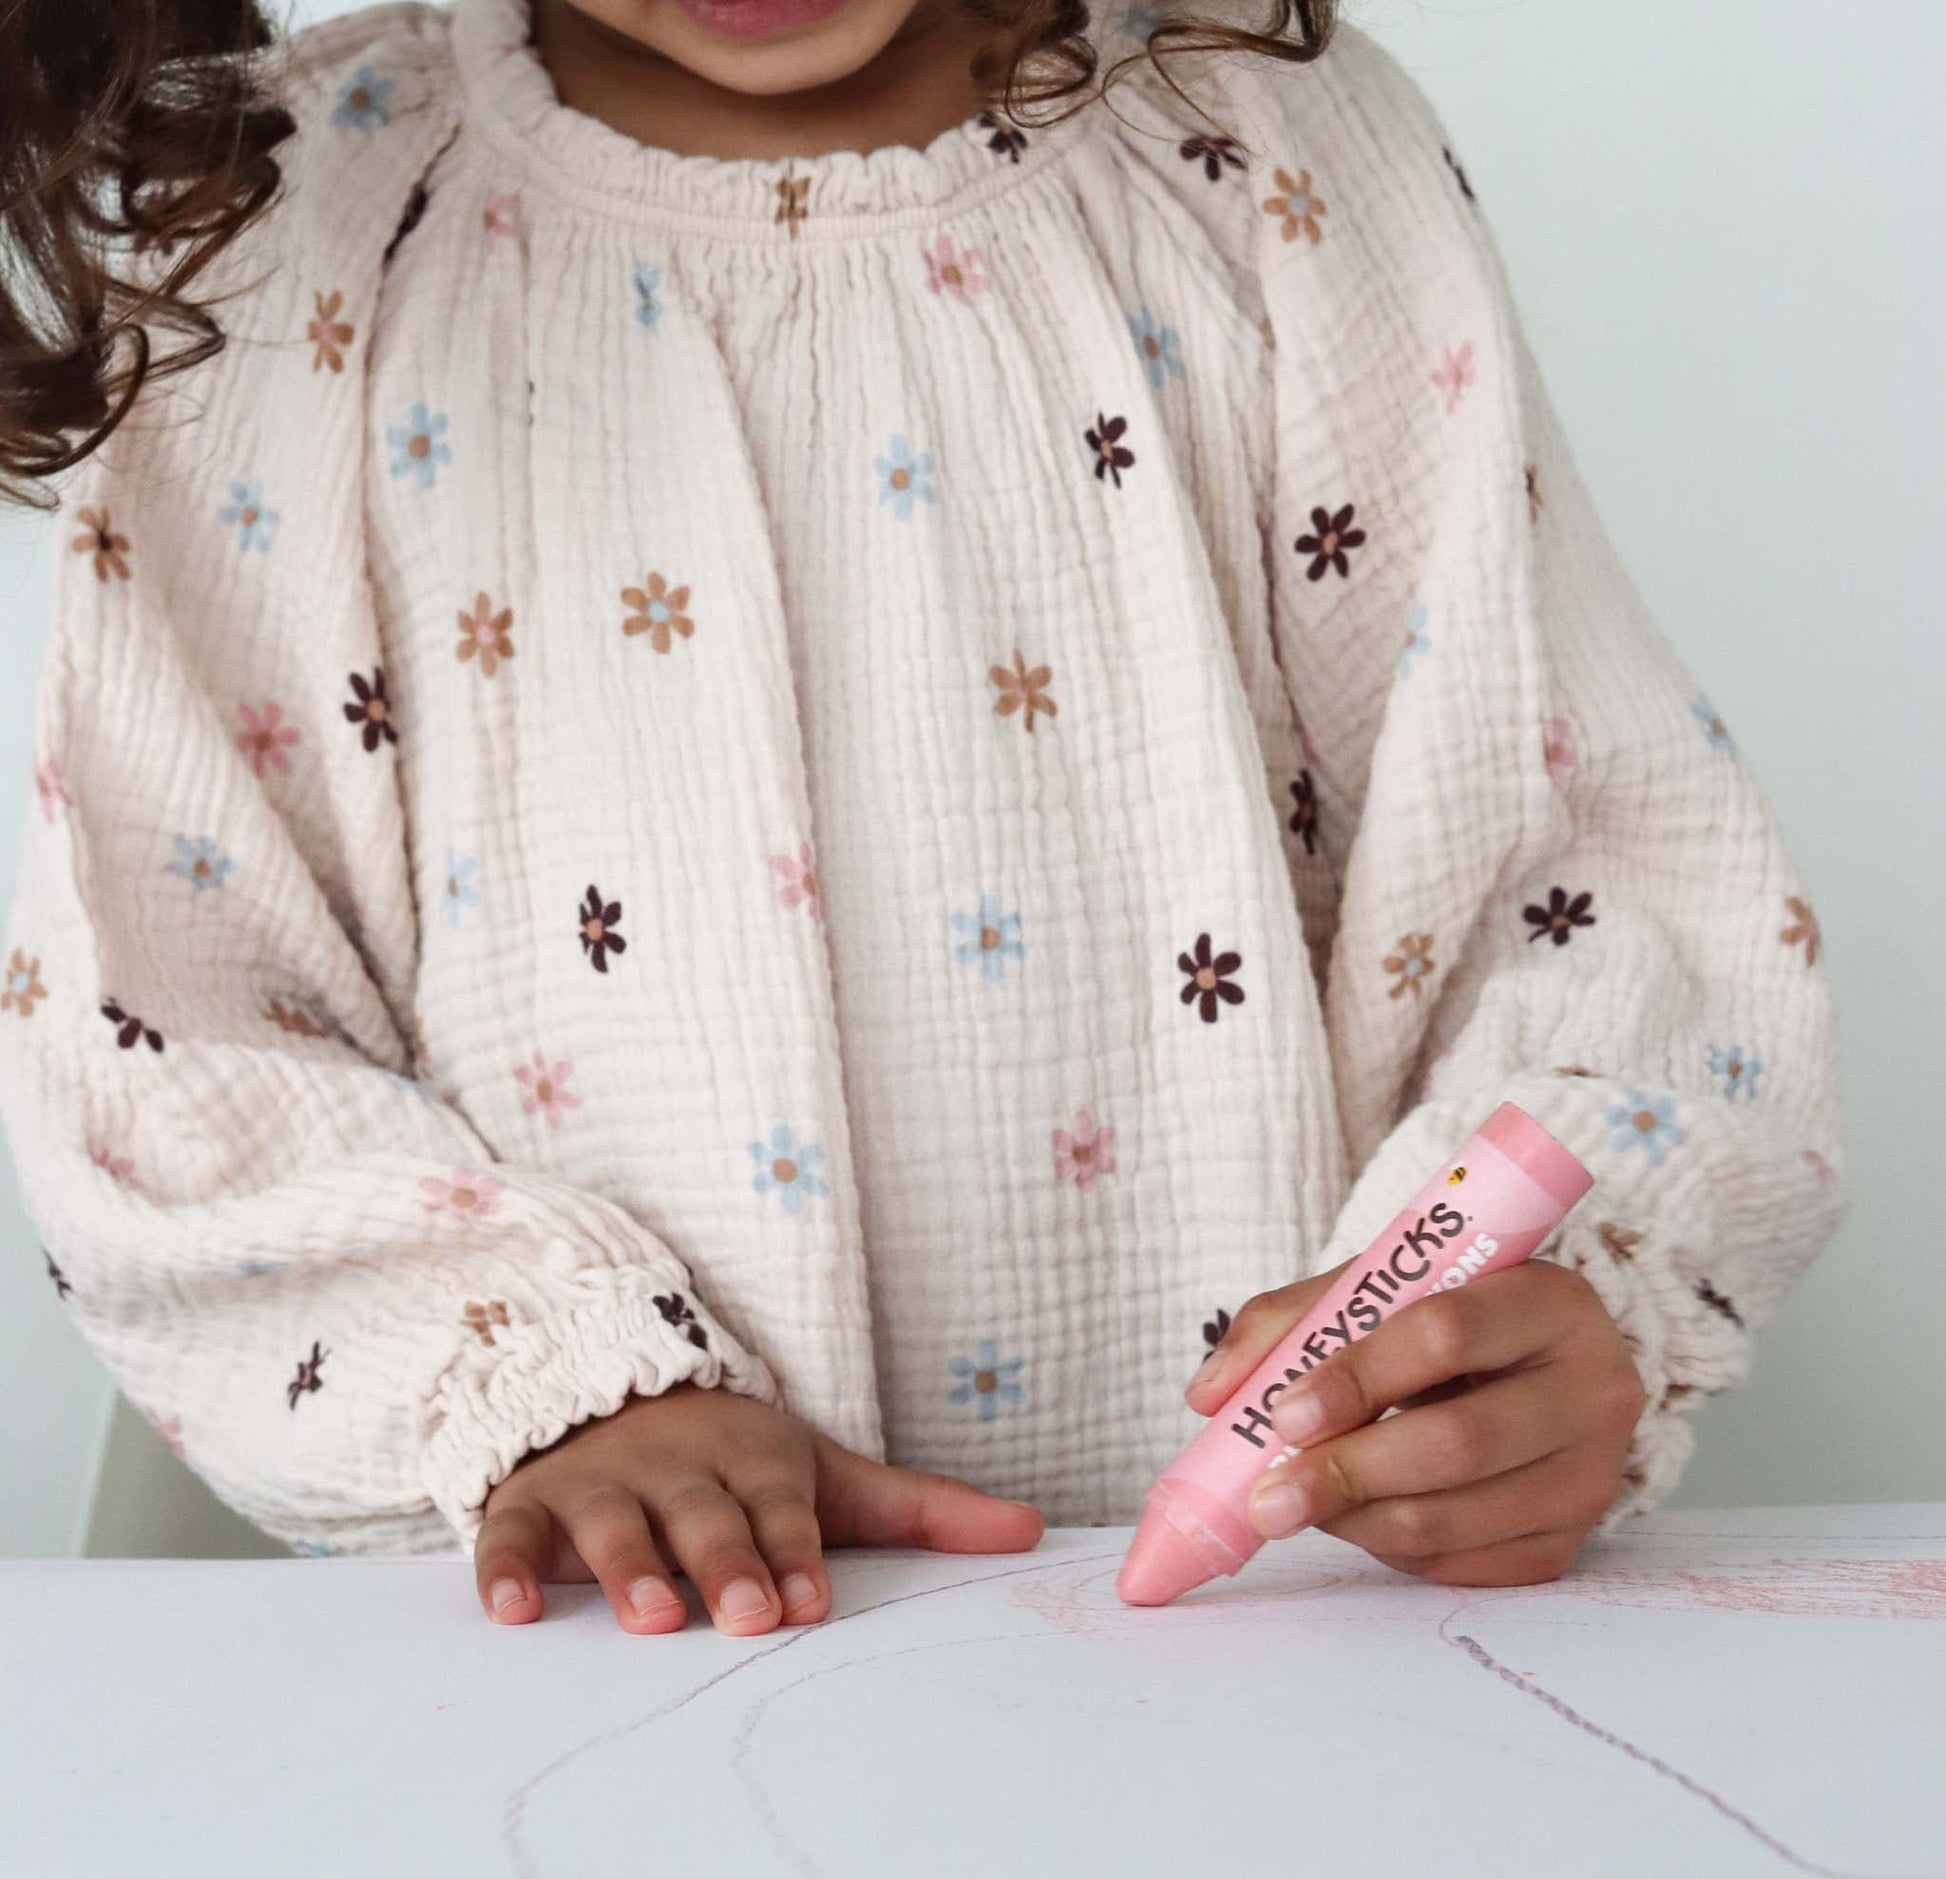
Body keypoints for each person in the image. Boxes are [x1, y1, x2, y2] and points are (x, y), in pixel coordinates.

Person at [0, 0, 1842, 1636]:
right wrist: (552, 1381)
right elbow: (164, 1007)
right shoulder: (282, 219)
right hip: (610, 1697)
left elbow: (1583, 864)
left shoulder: (1270, 147)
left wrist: (1544, 1306)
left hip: (1309, 1653)